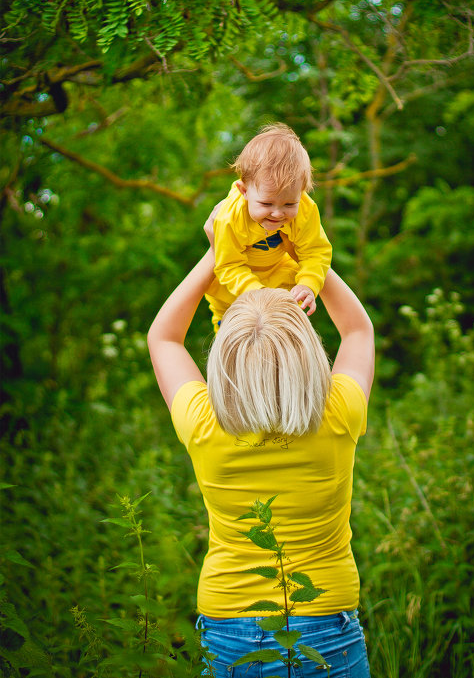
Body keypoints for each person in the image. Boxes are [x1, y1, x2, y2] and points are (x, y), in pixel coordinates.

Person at [148, 224, 374, 676]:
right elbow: (358, 331)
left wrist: (222, 248)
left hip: (230, 628)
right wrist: (308, 250)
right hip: (327, 626)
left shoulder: (205, 424)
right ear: (308, 352)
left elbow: (163, 337)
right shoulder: (338, 415)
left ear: (225, 356)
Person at [205, 123, 333, 331]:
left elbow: (315, 252)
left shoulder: (305, 209)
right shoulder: (230, 217)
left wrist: (308, 284)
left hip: (278, 271)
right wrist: (258, 293)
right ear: (243, 190)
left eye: (289, 204)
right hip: (235, 286)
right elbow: (229, 266)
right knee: (229, 314)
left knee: (287, 312)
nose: (277, 213)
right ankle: (225, 331)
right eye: (266, 204)